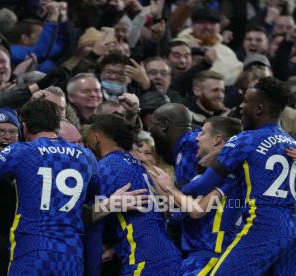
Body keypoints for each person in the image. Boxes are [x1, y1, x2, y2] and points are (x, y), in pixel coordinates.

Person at [0, 99, 144, 274]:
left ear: (24, 127)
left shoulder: (19, 151)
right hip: (71, 255)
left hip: (32, 249)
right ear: (57, 127)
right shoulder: (86, 156)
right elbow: (92, 199)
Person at [151, 77, 296, 275]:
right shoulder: (290, 143)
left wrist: (169, 187)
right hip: (291, 227)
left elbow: (201, 188)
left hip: (262, 224)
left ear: (259, 108)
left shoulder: (245, 140)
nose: (241, 106)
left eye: (246, 101)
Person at [85, 114, 181, 275]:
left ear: (96, 137)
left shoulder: (105, 168)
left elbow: (94, 225)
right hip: (168, 253)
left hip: (144, 260)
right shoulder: (142, 166)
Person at [150, 116, 243, 275]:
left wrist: (170, 188)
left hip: (212, 258)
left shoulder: (229, 175)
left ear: (217, 140)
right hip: (197, 258)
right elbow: (177, 202)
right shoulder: (206, 175)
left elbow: (197, 210)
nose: (197, 138)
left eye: (202, 133)